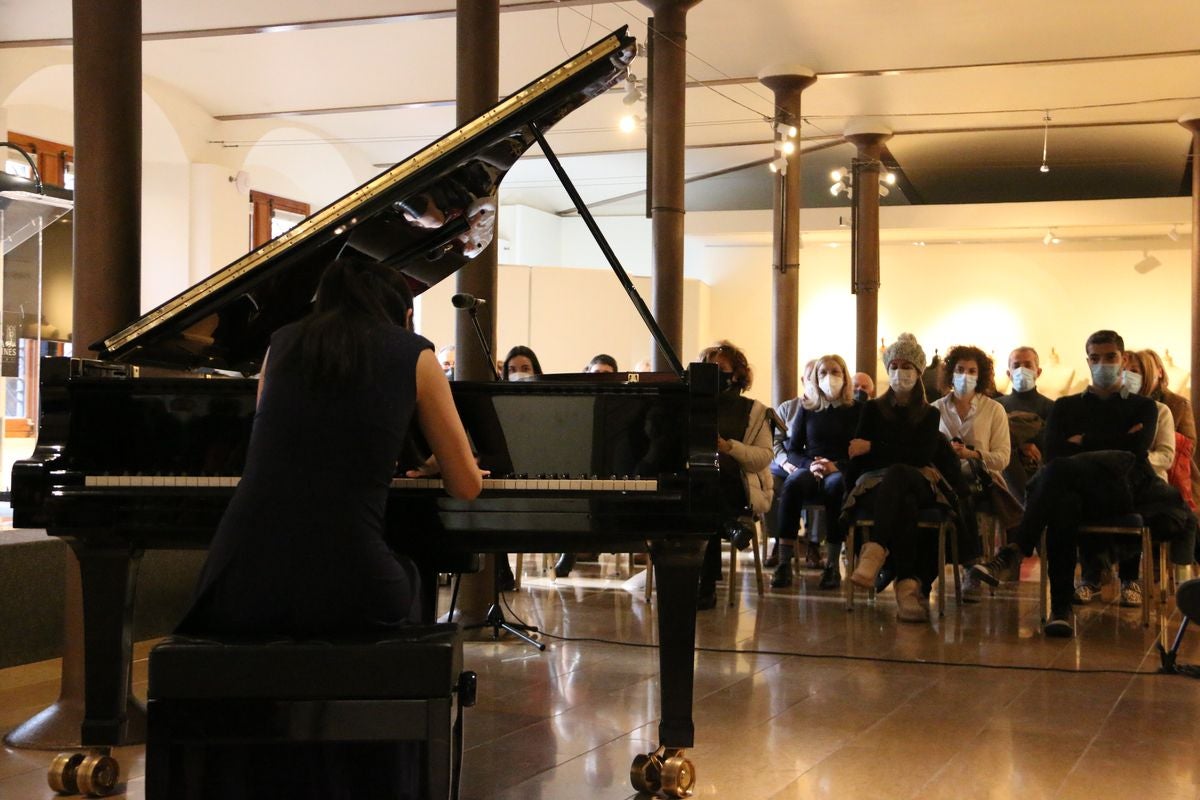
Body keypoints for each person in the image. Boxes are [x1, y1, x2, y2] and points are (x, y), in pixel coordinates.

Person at [176, 255, 484, 798]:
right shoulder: (415, 353)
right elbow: (466, 485)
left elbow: (278, 442)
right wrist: (434, 463)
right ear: (404, 312)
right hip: (349, 581)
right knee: (409, 578)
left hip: (238, 579)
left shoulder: (282, 344)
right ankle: (373, 776)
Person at [973, 330, 1196, 637]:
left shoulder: (1143, 407)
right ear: (1088, 361)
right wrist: (1112, 446)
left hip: (1122, 492)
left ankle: (1015, 548)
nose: (1102, 363)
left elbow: (1135, 453)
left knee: (1059, 475)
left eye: (1110, 357)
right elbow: (1054, 452)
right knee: (1063, 501)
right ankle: (1060, 609)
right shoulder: (1066, 406)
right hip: (1081, 494)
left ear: (1123, 359)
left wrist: (1084, 442)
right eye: (1095, 358)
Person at [844, 333, 963, 623]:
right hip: (877, 484)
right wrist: (895, 451)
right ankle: (907, 591)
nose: (900, 371)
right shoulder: (871, 409)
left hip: (920, 481)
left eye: (907, 365)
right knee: (905, 501)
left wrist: (876, 447)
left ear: (919, 371)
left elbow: (920, 457)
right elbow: (859, 456)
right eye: (894, 365)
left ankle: (875, 553)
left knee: (900, 474)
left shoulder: (929, 414)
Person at [696, 341, 774, 609]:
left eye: (720, 368)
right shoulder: (692, 406)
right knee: (702, 486)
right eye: (708, 368)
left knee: (706, 485)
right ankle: (728, 525)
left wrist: (729, 448)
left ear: (737, 373)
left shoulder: (754, 410)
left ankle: (705, 589)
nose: (714, 373)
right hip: (700, 486)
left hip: (738, 484)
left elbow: (763, 457)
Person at [930, 345, 1012, 601]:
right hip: (943, 480)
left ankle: (966, 566)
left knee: (960, 494)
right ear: (950, 373)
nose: (965, 375)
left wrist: (973, 454)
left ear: (982, 374)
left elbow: (1002, 458)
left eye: (972, 371)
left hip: (981, 480)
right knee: (953, 493)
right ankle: (972, 567)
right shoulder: (935, 410)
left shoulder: (994, 410)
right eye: (960, 370)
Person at [772, 355, 860, 589]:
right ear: (814, 378)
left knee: (835, 487)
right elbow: (792, 450)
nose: (829, 377)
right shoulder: (806, 408)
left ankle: (831, 564)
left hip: (840, 469)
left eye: (835, 372)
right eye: (822, 373)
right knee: (793, 483)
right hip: (810, 465)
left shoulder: (857, 410)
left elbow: (863, 454)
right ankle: (784, 562)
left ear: (844, 376)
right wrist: (809, 465)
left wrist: (836, 466)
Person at [496, 345, 545, 587]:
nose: (518, 374)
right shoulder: (496, 405)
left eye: (525, 369)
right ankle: (499, 567)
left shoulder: (547, 404)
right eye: (512, 369)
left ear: (536, 371)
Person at [997, 346, 1056, 503]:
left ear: (1038, 371)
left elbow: (1054, 443)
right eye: (1016, 365)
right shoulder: (996, 406)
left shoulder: (1052, 407)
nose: (1022, 369)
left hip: (1039, 468)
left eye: (1028, 365)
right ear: (1009, 374)